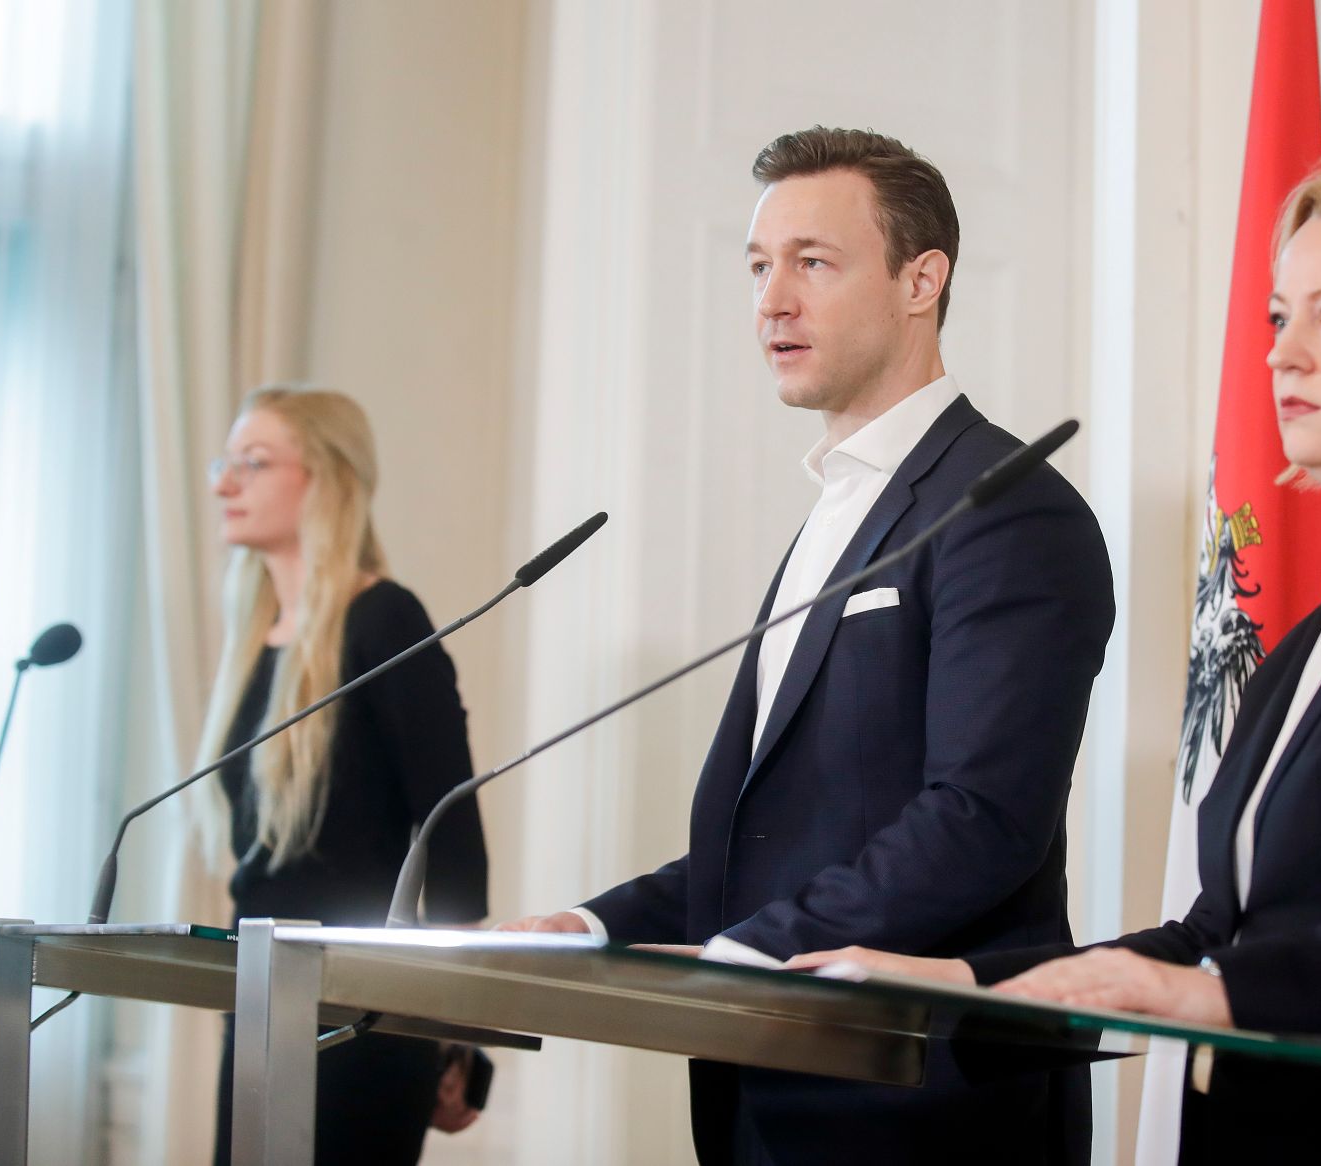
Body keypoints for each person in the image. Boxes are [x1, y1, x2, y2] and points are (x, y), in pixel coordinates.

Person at [792, 174, 1321, 1164]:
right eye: (1278, 316)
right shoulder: (1304, 641)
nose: (1282, 352)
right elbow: (1220, 926)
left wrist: (1217, 993)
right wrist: (965, 985)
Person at [501, 127, 1115, 1164]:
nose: (770, 299)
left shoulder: (1005, 511)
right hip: (774, 1086)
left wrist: (739, 952)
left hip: (922, 1095)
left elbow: (979, 819)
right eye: (757, 266)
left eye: (811, 263)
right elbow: (784, 836)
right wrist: (587, 924)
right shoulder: (836, 508)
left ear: (921, 279)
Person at [195, 386, 490, 1165]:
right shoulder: (253, 640)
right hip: (258, 1002)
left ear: (327, 478)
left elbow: (452, 838)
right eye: (224, 464)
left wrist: (455, 1037)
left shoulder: (385, 620)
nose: (224, 484)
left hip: (362, 1014)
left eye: (252, 464)